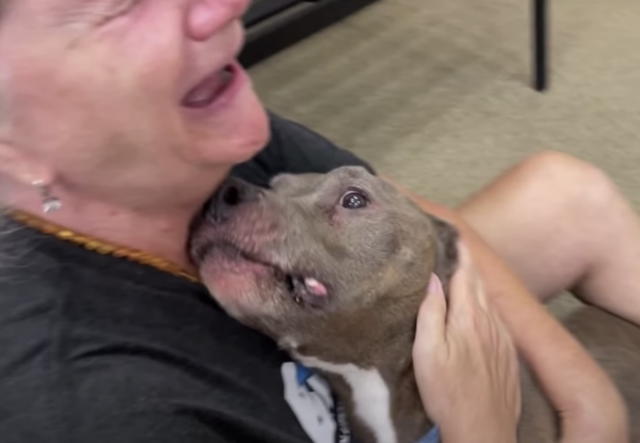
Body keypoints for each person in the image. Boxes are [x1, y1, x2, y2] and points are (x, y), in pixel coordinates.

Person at [0, 0, 636, 442]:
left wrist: (591, 409)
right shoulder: (97, 410)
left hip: (347, 332)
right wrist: (482, 429)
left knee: (565, 193)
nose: (225, 7)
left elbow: (418, 215)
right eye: (117, 3)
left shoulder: (198, 123)